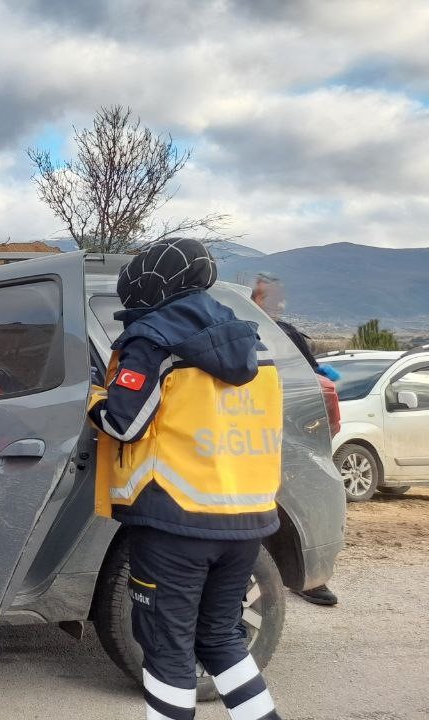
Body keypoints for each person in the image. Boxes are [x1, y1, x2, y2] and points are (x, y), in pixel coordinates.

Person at [89, 238, 284, 720]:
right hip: (245, 521)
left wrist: (96, 396)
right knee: (221, 637)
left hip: (176, 524)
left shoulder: (152, 341)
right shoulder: (252, 342)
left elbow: (122, 423)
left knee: (166, 649)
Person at [251, 273, 340, 607]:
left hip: (290, 433)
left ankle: (311, 579)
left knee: (301, 503)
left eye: (280, 299)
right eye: (270, 298)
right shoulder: (241, 327)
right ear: (256, 300)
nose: (278, 305)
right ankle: (254, 573)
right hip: (248, 431)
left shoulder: (286, 335)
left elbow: (311, 377)